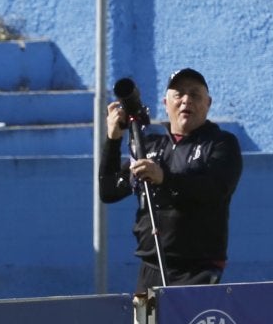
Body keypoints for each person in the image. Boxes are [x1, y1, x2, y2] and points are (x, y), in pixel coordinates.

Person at [99, 67, 244, 295]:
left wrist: (164, 178)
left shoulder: (220, 143)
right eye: (179, 94)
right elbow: (108, 191)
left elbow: (215, 189)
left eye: (195, 95)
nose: (186, 100)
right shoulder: (150, 147)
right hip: (151, 267)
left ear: (208, 103)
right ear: (166, 103)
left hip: (198, 269)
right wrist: (113, 140)